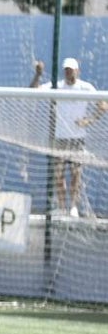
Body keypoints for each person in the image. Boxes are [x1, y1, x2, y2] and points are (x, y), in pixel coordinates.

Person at [30, 57, 107, 216]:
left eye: (71, 70)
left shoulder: (86, 88)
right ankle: (62, 206)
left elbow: (103, 105)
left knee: (75, 173)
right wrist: (38, 75)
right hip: (60, 138)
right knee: (58, 173)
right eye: (66, 70)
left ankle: (73, 206)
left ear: (77, 71)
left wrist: (89, 120)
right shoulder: (57, 86)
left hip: (77, 139)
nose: (68, 72)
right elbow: (33, 91)